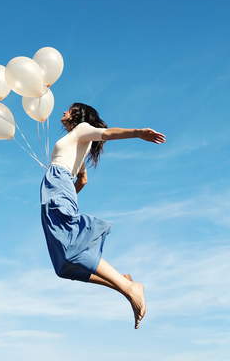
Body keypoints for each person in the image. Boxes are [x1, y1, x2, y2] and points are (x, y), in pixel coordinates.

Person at [40, 102, 166, 329]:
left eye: (69, 109)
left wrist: (138, 133)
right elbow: (83, 180)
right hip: (56, 191)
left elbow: (106, 133)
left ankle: (129, 288)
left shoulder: (83, 129)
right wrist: (62, 194)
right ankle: (123, 285)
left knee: (73, 248)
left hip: (58, 187)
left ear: (78, 115)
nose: (64, 112)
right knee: (64, 265)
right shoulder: (78, 141)